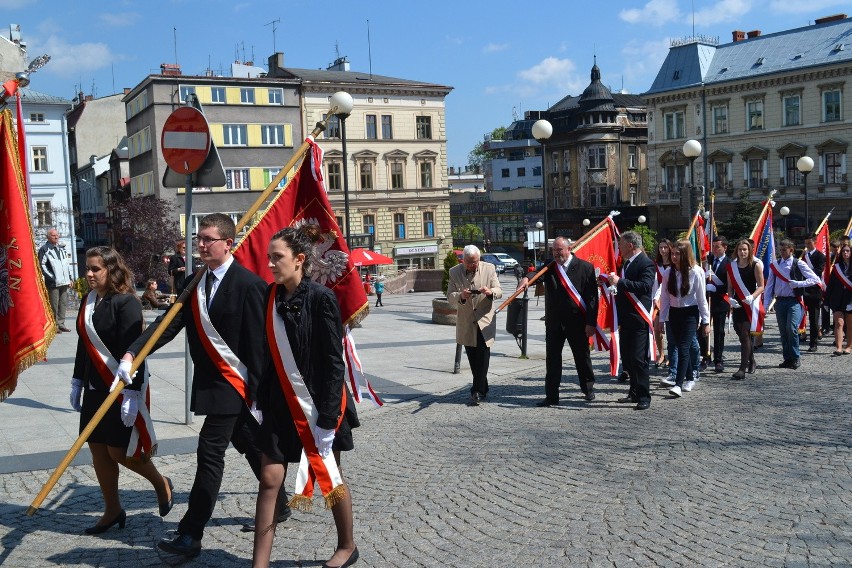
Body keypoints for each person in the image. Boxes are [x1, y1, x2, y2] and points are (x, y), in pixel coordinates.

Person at [122, 214, 289, 559]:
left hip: (238, 385)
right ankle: (281, 503)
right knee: (248, 443)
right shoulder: (195, 281)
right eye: (198, 238)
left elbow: (261, 345)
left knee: (209, 455)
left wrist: (259, 393)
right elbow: (168, 325)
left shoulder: (249, 284)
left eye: (208, 239)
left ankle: (190, 533)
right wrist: (132, 353)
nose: (200, 245)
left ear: (228, 243)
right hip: (214, 384)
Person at [252, 225, 360, 568]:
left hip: (319, 404)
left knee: (331, 478)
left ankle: (347, 545)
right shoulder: (270, 296)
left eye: (277, 258)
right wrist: (257, 396)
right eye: (269, 258)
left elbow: (332, 362)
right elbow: (267, 354)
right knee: (270, 478)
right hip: (280, 403)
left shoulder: (320, 299)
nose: (270, 264)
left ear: (300, 260)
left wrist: (328, 418)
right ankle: (260, 563)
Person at [71, 247, 173, 533]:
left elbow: (135, 350)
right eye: (88, 268)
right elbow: (84, 345)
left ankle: (160, 482)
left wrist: (133, 391)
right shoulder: (88, 300)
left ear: (111, 270)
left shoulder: (126, 302)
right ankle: (112, 510)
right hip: (94, 386)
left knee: (118, 451)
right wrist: (78, 380)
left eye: (95, 269)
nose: (89, 274)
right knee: (98, 451)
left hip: (120, 387)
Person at [517, 237, 598, 405]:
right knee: (552, 359)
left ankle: (588, 388)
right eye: (554, 250)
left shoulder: (585, 267)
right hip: (554, 323)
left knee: (582, 357)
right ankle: (552, 396)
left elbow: (592, 299)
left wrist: (591, 323)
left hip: (577, 322)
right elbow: (536, 275)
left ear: (569, 249)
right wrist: (526, 278)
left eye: (559, 250)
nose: (556, 253)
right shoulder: (550, 266)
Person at [447, 244, 503, 406]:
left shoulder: (489, 268)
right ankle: (483, 387)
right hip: (467, 320)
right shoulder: (454, 272)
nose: (473, 265)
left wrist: (490, 292)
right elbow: (449, 296)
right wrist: (461, 296)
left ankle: (476, 390)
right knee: (472, 357)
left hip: (485, 319)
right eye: (469, 262)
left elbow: (499, 290)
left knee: (483, 354)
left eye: (476, 262)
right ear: (463, 260)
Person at [608, 231, 656, 410]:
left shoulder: (646, 263)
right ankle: (634, 392)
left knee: (638, 359)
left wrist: (619, 282)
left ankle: (644, 396)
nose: (618, 247)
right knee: (628, 358)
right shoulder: (627, 263)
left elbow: (645, 287)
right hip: (626, 319)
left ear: (630, 245)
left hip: (638, 318)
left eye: (620, 244)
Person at [659, 240, 710, 397]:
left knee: (683, 347)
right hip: (674, 313)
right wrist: (662, 319)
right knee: (679, 346)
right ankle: (689, 377)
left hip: (690, 313)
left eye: (677, 254)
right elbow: (665, 298)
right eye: (672, 253)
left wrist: (706, 321)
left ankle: (678, 385)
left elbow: (702, 298)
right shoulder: (668, 273)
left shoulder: (696, 271)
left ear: (685, 255)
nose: (673, 257)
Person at [763, 239, 821, 370]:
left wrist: (798, 284)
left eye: (784, 249)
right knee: (783, 331)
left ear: (791, 250)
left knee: (791, 328)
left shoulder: (798, 263)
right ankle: (787, 358)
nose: (782, 252)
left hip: (794, 300)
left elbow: (815, 279)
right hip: (780, 301)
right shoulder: (775, 265)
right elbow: (769, 286)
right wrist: (766, 305)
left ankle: (795, 357)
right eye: (780, 250)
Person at [726, 239, 765, 379]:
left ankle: (742, 369)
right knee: (740, 332)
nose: (742, 252)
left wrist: (752, 297)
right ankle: (752, 360)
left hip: (750, 303)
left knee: (744, 334)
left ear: (749, 251)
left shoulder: (755, 265)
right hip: (737, 304)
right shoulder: (731, 267)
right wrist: (730, 299)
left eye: (745, 249)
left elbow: (761, 286)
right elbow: (730, 287)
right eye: (740, 249)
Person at [39, 227, 74, 332]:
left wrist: (70, 278)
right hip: (53, 283)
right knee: (54, 304)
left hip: (64, 281)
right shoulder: (44, 249)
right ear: (48, 237)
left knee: (63, 303)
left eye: (57, 235)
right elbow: (42, 265)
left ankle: (61, 324)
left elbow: (66, 265)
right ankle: (54, 325)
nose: (56, 237)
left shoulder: (61, 248)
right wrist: (52, 278)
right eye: (53, 235)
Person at [706, 236, 731, 372]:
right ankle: (705, 356)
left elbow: (730, 284)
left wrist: (717, 287)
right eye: (713, 246)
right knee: (703, 330)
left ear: (725, 247)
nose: (714, 249)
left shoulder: (729, 263)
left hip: (721, 301)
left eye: (717, 246)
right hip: (707, 300)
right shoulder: (709, 260)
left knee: (719, 331)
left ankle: (719, 359)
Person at [825, 243, 852, 356]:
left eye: (847, 251)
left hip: (850, 299)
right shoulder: (836, 267)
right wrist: (826, 300)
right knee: (839, 323)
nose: (845, 253)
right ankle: (839, 347)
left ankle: (849, 346)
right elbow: (830, 284)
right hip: (837, 299)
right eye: (843, 251)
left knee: (850, 325)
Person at [802, 234, 826, 352]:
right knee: (799, 317)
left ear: (815, 242)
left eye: (809, 243)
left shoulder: (820, 256)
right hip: (802, 290)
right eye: (806, 243)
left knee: (814, 318)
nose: (807, 246)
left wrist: (805, 270)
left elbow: (818, 271)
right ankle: (801, 336)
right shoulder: (803, 256)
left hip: (814, 291)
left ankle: (813, 342)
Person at [653, 239, 673, 369]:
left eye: (665, 247)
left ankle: (671, 357)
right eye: (661, 247)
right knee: (657, 329)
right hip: (657, 300)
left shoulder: (674, 263)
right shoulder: (655, 265)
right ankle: (661, 354)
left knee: (671, 331)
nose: (663, 250)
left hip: (672, 301)